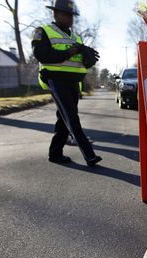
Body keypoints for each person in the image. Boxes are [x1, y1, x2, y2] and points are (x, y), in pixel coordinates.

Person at [32, 0, 102, 166]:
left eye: (72, 15)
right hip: (55, 80)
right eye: (66, 14)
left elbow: (80, 62)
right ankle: (89, 155)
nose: (70, 18)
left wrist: (88, 58)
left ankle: (55, 154)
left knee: (63, 119)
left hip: (72, 83)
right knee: (71, 118)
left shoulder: (75, 37)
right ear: (55, 14)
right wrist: (71, 51)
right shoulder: (43, 31)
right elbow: (42, 55)